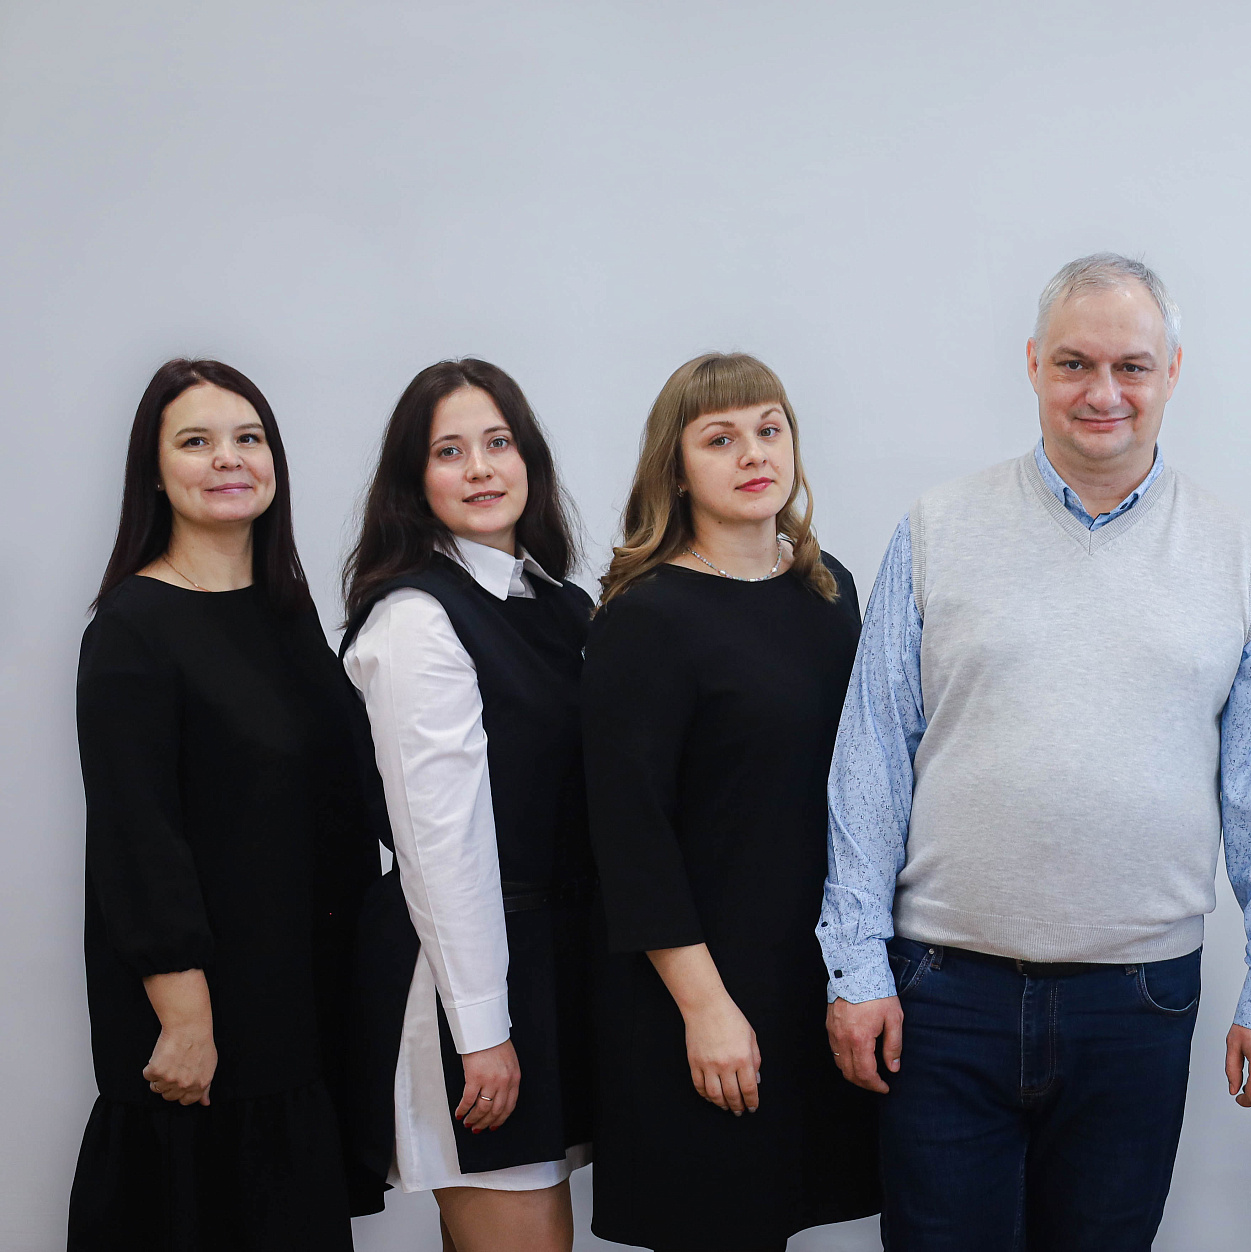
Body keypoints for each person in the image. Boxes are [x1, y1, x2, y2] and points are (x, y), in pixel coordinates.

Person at [818, 253, 1251, 1251]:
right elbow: (871, 756)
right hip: (941, 992)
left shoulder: (1238, 553)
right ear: (1032, 365)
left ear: (1172, 371)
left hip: (1138, 998)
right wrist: (856, 965)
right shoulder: (935, 529)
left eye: (1131, 366)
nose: (1103, 393)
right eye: (1074, 364)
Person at [68, 358, 380, 1250]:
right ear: (153, 471)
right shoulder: (131, 627)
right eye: (196, 442)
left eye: (248, 438)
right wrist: (184, 1014)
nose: (228, 459)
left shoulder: (287, 614)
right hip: (202, 1020)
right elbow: (137, 835)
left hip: (298, 1005)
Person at [583, 353, 881, 1250]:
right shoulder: (646, 616)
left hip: (813, 978)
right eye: (720, 438)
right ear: (675, 469)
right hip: (699, 989)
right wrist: (706, 1008)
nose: (754, 453)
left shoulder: (829, 590)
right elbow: (630, 837)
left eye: (769, 429)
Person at [341, 359, 596, 1251]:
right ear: (414, 480)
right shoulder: (417, 619)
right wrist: (481, 1031)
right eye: (449, 451)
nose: (481, 468)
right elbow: (440, 844)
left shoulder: (560, 604)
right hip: (470, 981)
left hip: (549, 964)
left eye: (499, 442)